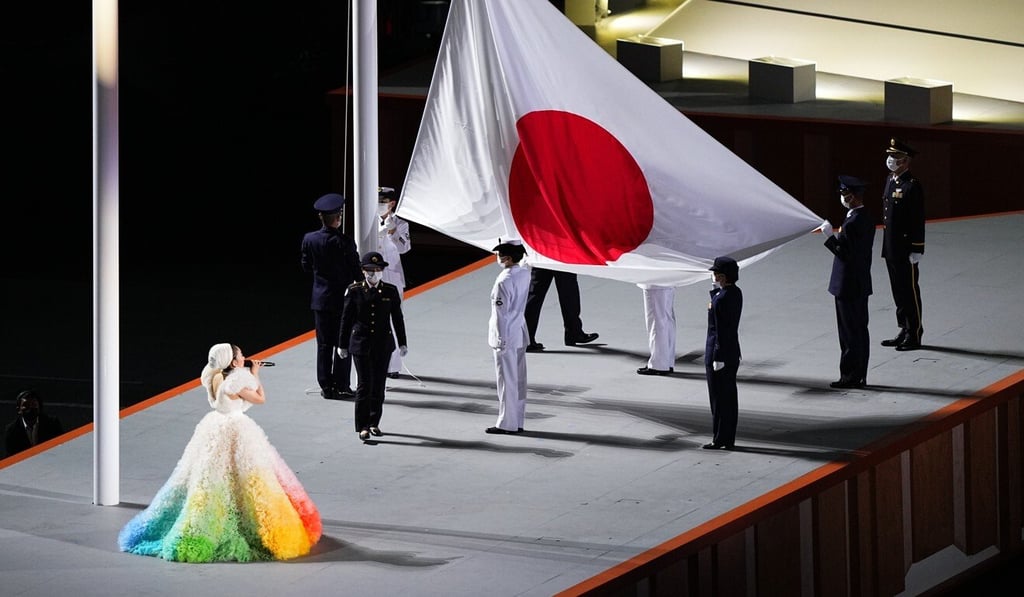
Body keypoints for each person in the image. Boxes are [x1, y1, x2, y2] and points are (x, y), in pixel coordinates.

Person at [119, 343, 322, 562]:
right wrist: (255, 374)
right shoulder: (236, 382)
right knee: (247, 477)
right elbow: (260, 399)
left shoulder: (214, 377)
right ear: (234, 362)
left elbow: (236, 404)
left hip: (214, 427)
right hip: (236, 430)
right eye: (241, 355)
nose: (245, 356)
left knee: (210, 476)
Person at [338, 251, 408, 442]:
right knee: (364, 385)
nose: (373, 274)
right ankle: (362, 426)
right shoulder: (354, 291)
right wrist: (342, 344)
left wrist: (402, 341)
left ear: (382, 271)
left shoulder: (390, 291)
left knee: (379, 386)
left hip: (383, 345)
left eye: (377, 270)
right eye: (369, 270)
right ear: (363, 271)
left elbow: (397, 318)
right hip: (361, 344)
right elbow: (346, 319)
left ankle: (374, 422)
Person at [301, 192, 363, 400]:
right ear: (338, 218)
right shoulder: (344, 242)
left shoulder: (309, 239)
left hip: (320, 299)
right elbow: (356, 270)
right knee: (343, 344)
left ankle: (326, 387)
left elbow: (306, 266)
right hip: (342, 300)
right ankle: (342, 385)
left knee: (324, 345)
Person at [821, 175, 876, 389]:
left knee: (849, 333)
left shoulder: (853, 222)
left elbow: (846, 254)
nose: (843, 198)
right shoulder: (863, 217)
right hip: (858, 283)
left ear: (852, 197)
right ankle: (858, 374)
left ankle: (850, 376)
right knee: (859, 331)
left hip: (848, 285)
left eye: (845, 195)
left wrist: (829, 237)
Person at [880, 138, 926, 351]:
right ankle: (903, 328)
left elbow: (917, 219)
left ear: (905, 161)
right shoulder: (891, 180)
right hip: (891, 247)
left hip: (906, 248)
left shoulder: (912, 186)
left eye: (895, 157)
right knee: (898, 291)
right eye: (891, 156)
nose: (891, 160)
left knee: (909, 291)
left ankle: (914, 333)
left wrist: (917, 248)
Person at [486, 241, 531, 434]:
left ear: (508, 258)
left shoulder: (504, 280)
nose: (498, 258)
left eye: (500, 255)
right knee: (519, 380)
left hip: (506, 335)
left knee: (506, 381)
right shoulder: (525, 273)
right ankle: (518, 420)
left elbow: (500, 314)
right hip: (520, 331)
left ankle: (506, 423)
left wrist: (500, 340)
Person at [704, 256, 742, 450]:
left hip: (719, 354)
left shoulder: (721, 300)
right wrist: (715, 293)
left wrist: (717, 357)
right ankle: (727, 437)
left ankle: (719, 438)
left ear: (722, 276)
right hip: (732, 352)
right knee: (729, 397)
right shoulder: (735, 293)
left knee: (718, 399)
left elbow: (720, 329)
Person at [376, 186, 411, 378]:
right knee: (375, 319)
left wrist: (393, 231)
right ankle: (378, 362)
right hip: (374, 276)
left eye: (383, 202)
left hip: (393, 276)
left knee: (395, 318)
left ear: (391, 203)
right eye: (378, 202)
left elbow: (404, 248)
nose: (380, 205)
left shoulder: (401, 224)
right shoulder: (369, 222)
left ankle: (394, 366)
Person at [523, 268, 599, 352]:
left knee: (535, 294)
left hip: (544, 257)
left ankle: (526, 339)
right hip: (563, 257)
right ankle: (573, 333)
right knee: (569, 292)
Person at [4, 389, 64, 458]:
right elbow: (11, 456)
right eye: (26, 405)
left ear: (39, 407)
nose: (30, 408)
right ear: (19, 410)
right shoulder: (12, 430)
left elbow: (61, 447)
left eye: (34, 404)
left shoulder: (52, 423)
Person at [636, 284, 676, 375]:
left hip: (654, 282)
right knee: (667, 317)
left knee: (656, 319)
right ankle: (667, 362)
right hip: (668, 281)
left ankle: (658, 364)